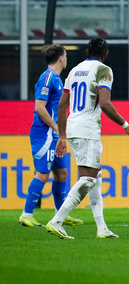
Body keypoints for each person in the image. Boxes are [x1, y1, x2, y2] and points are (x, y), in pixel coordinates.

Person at [46, 38, 129, 239]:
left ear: (87, 51)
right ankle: (57, 220)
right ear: (106, 53)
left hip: (72, 127)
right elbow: (105, 103)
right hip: (88, 129)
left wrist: (62, 135)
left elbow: (62, 105)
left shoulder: (74, 71)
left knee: (95, 179)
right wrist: (126, 125)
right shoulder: (104, 70)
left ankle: (102, 228)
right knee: (87, 179)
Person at [19, 45, 82, 228]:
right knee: (43, 174)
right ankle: (26, 214)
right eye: (66, 55)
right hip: (44, 134)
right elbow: (39, 107)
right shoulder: (47, 77)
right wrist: (56, 127)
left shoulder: (57, 79)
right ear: (61, 58)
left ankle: (60, 214)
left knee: (61, 174)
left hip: (53, 135)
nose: (67, 58)